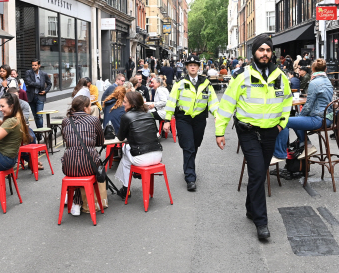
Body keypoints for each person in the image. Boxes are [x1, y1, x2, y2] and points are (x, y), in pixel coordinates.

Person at [215, 34, 292, 240]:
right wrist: (219, 131)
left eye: (268, 50)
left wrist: (281, 125)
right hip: (247, 131)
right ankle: (261, 222)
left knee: (259, 171)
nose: (265, 54)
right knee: (258, 172)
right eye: (261, 50)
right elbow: (227, 104)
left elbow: (287, 102)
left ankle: (250, 208)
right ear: (254, 52)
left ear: (271, 53)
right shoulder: (242, 75)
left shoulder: (280, 76)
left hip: (270, 131)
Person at [164, 54, 219, 192]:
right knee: (188, 146)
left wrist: (217, 115)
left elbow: (213, 101)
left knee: (195, 145)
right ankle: (190, 177)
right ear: (187, 67)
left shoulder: (206, 83)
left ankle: (189, 167)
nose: (193, 67)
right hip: (184, 118)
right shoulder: (180, 83)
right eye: (190, 65)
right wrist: (167, 119)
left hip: (200, 119)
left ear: (198, 68)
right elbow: (171, 101)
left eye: (195, 65)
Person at [273, 59, 333, 163]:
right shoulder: (328, 81)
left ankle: (280, 154)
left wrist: (301, 115)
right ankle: (306, 144)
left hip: (318, 119)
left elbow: (308, 106)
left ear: (312, 70)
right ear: (325, 69)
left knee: (284, 121)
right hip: (328, 118)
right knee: (297, 117)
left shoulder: (314, 83)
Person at [61, 96, 104, 216]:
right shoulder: (94, 120)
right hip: (89, 165)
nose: (91, 108)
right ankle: (77, 202)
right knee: (85, 167)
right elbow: (100, 142)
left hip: (68, 166)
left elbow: (67, 140)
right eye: (90, 105)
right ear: (85, 108)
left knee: (78, 167)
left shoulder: (65, 121)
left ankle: (72, 198)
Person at [115, 92, 163, 198]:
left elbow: (120, 138)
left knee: (125, 150)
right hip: (158, 156)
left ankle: (126, 188)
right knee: (126, 158)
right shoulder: (149, 115)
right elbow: (156, 134)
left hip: (141, 158)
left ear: (132, 104)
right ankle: (127, 186)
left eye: (125, 102)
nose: (123, 104)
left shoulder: (126, 116)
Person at [24, 59, 52, 129]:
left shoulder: (44, 74)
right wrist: (39, 85)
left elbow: (49, 84)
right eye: (32, 65)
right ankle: (39, 133)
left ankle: (41, 131)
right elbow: (28, 82)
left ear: (39, 66)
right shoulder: (28, 72)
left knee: (39, 115)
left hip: (40, 96)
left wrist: (45, 91)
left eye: (35, 65)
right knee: (35, 116)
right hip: (31, 97)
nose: (34, 67)